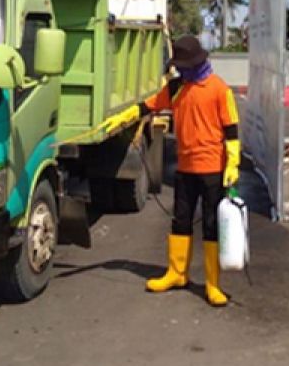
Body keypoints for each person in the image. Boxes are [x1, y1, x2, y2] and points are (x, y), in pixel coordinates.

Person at [100, 35, 240, 307]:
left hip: (213, 169)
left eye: (186, 66)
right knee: (180, 221)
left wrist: (232, 163)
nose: (182, 71)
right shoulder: (176, 88)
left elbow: (232, 130)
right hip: (186, 168)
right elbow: (149, 105)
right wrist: (122, 118)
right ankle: (177, 273)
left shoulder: (219, 89)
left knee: (211, 225)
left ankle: (213, 284)